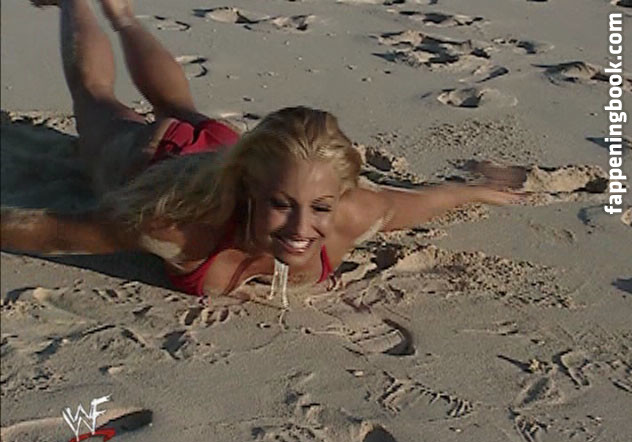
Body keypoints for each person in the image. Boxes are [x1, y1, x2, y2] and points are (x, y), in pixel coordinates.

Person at [1, 0, 525, 298]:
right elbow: (51, 230)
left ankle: (123, 16)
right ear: (248, 189)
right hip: (153, 161)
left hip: (231, 148)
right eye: (281, 205)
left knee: (179, 104)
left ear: (339, 197)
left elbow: (417, 203)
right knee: (96, 96)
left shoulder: (352, 213)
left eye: (320, 207)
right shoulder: (174, 225)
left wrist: (474, 191)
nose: (302, 228)